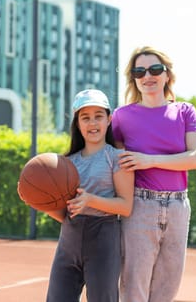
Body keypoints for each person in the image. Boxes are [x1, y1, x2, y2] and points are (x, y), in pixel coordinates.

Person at [112, 46, 196, 302]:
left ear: (167, 75)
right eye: (139, 71)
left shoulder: (185, 111)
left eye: (154, 69)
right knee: (133, 287)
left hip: (178, 207)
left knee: (168, 287)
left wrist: (148, 160)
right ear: (134, 78)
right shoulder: (121, 117)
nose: (147, 76)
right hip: (140, 206)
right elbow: (114, 164)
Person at [45, 89, 134, 302]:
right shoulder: (66, 163)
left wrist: (90, 200)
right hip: (69, 240)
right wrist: (42, 202)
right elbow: (65, 213)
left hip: (103, 238)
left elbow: (126, 206)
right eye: (85, 118)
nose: (92, 123)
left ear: (109, 119)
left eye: (98, 116)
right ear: (77, 123)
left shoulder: (117, 157)